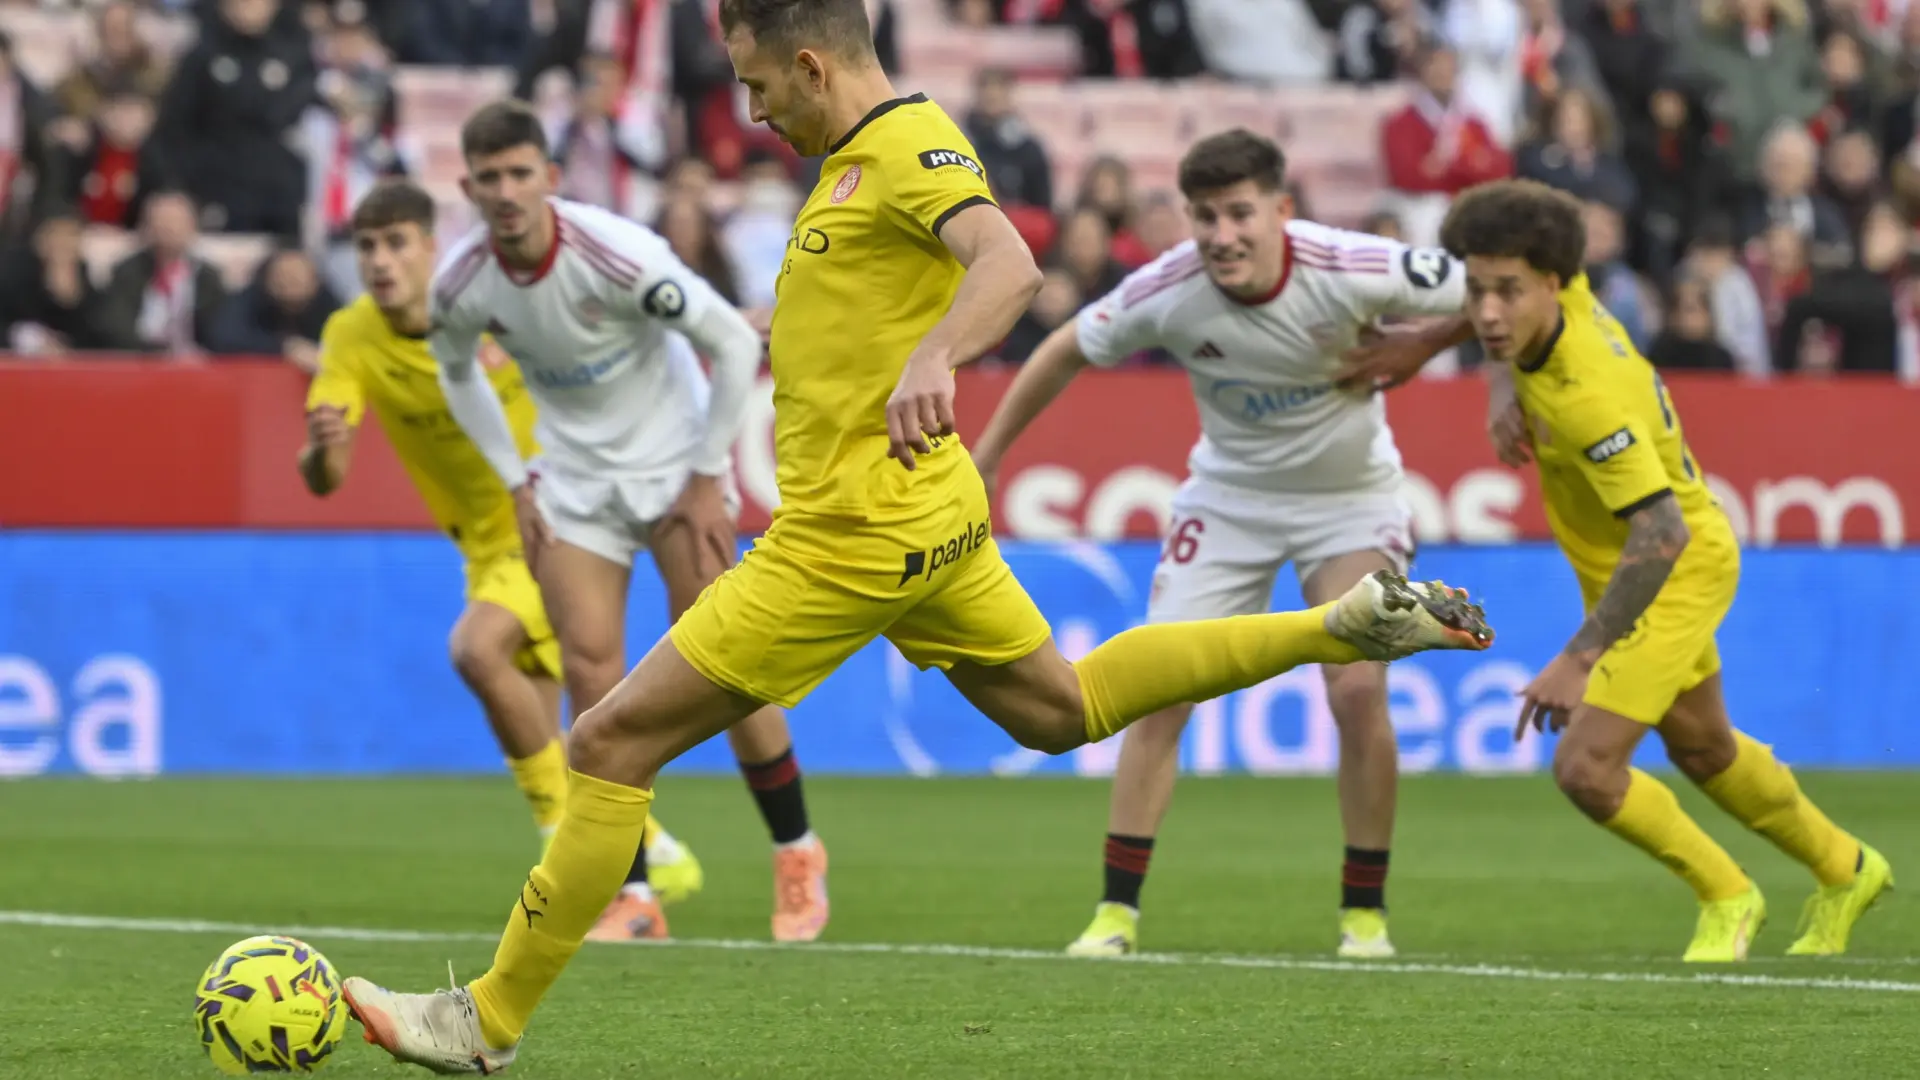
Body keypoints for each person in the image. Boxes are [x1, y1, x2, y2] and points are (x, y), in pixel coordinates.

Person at [338, 4, 1493, 1072]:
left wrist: (941, 354)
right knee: (1064, 708)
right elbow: (863, 321)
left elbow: (1009, 263)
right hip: (921, 514)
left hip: (848, 533)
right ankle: (1334, 625)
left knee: (604, 744)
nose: (751, 113)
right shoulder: (850, 170)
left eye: (756, 86)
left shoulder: (907, 146)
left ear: (809, 63)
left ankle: (483, 1022)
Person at [974, 128, 1473, 961]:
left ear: (1282, 211)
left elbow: (1496, 288)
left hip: (1349, 501)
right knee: (1158, 689)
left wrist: (1423, 343)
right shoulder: (1167, 287)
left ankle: (1364, 918)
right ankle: (1114, 916)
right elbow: (1063, 349)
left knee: (1355, 693)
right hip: (1230, 500)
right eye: (1204, 216)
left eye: (1241, 213)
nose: (1222, 235)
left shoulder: (1353, 264)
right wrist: (984, 460)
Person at [406, 101, 828, 946]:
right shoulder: (461, 281)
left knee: (728, 663)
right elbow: (454, 373)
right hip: (574, 483)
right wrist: (514, 475)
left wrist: (709, 476)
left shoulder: (615, 250)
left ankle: (796, 848)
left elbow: (736, 345)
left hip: (675, 464)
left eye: (521, 172)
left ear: (550, 180)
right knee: (594, 677)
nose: (506, 191)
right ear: (468, 188)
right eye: (488, 178)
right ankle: (631, 894)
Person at [1439, 178, 1890, 962]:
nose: (1486, 313)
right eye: (1476, 290)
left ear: (1549, 283)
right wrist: (1499, 380)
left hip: (1668, 566)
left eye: (1506, 293)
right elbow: (1509, 299)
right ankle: (1846, 868)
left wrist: (1580, 656)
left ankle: (1727, 893)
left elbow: (1661, 532)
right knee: (1705, 748)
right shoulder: (1561, 287)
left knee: (1585, 767)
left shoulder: (1589, 394)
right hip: (1640, 562)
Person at [297, 178, 699, 896]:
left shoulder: (486, 303)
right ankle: (654, 851)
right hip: (481, 547)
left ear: (430, 247)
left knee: (477, 649)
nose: (380, 262)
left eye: (395, 244)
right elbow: (325, 476)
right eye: (366, 248)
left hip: (558, 516)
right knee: (543, 728)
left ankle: (561, 831)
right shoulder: (349, 334)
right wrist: (321, 446)